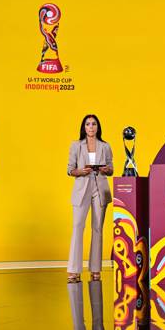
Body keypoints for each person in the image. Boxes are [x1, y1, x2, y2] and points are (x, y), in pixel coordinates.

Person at [67, 115, 113, 283]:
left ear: (98, 127)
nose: (91, 127)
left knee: (97, 229)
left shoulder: (105, 146)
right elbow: (70, 170)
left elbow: (111, 169)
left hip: (100, 188)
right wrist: (81, 171)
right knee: (78, 226)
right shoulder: (76, 146)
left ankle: (95, 269)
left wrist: (106, 169)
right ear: (84, 127)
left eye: (94, 124)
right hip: (82, 187)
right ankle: (73, 270)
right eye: (88, 124)